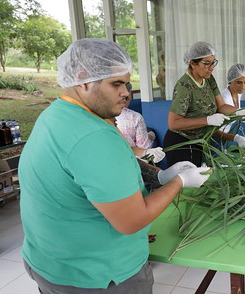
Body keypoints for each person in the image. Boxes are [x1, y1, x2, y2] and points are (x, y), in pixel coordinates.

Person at [18, 38, 211, 293]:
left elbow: (108, 167)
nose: (126, 93)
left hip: (53, 263)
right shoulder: (92, 135)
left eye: (127, 83)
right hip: (97, 273)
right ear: (84, 79)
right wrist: (180, 182)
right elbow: (132, 221)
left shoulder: (58, 114)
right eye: (116, 84)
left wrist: (160, 176)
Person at [163, 41, 245, 167]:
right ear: (193, 63)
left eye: (213, 63)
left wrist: (240, 112)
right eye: (206, 63)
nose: (211, 68)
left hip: (200, 141)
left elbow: (221, 106)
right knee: (186, 183)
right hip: (182, 143)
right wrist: (207, 120)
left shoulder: (209, 78)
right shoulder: (184, 86)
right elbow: (173, 123)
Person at [115, 86, 166, 164]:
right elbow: (144, 147)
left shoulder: (101, 117)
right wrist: (151, 136)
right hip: (133, 163)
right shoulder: (135, 117)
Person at [215, 63, 245, 149]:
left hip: (225, 137)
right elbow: (213, 131)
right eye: (239, 82)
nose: (243, 86)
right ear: (230, 81)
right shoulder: (224, 98)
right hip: (215, 139)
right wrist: (235, 138)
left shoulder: (237, 93)